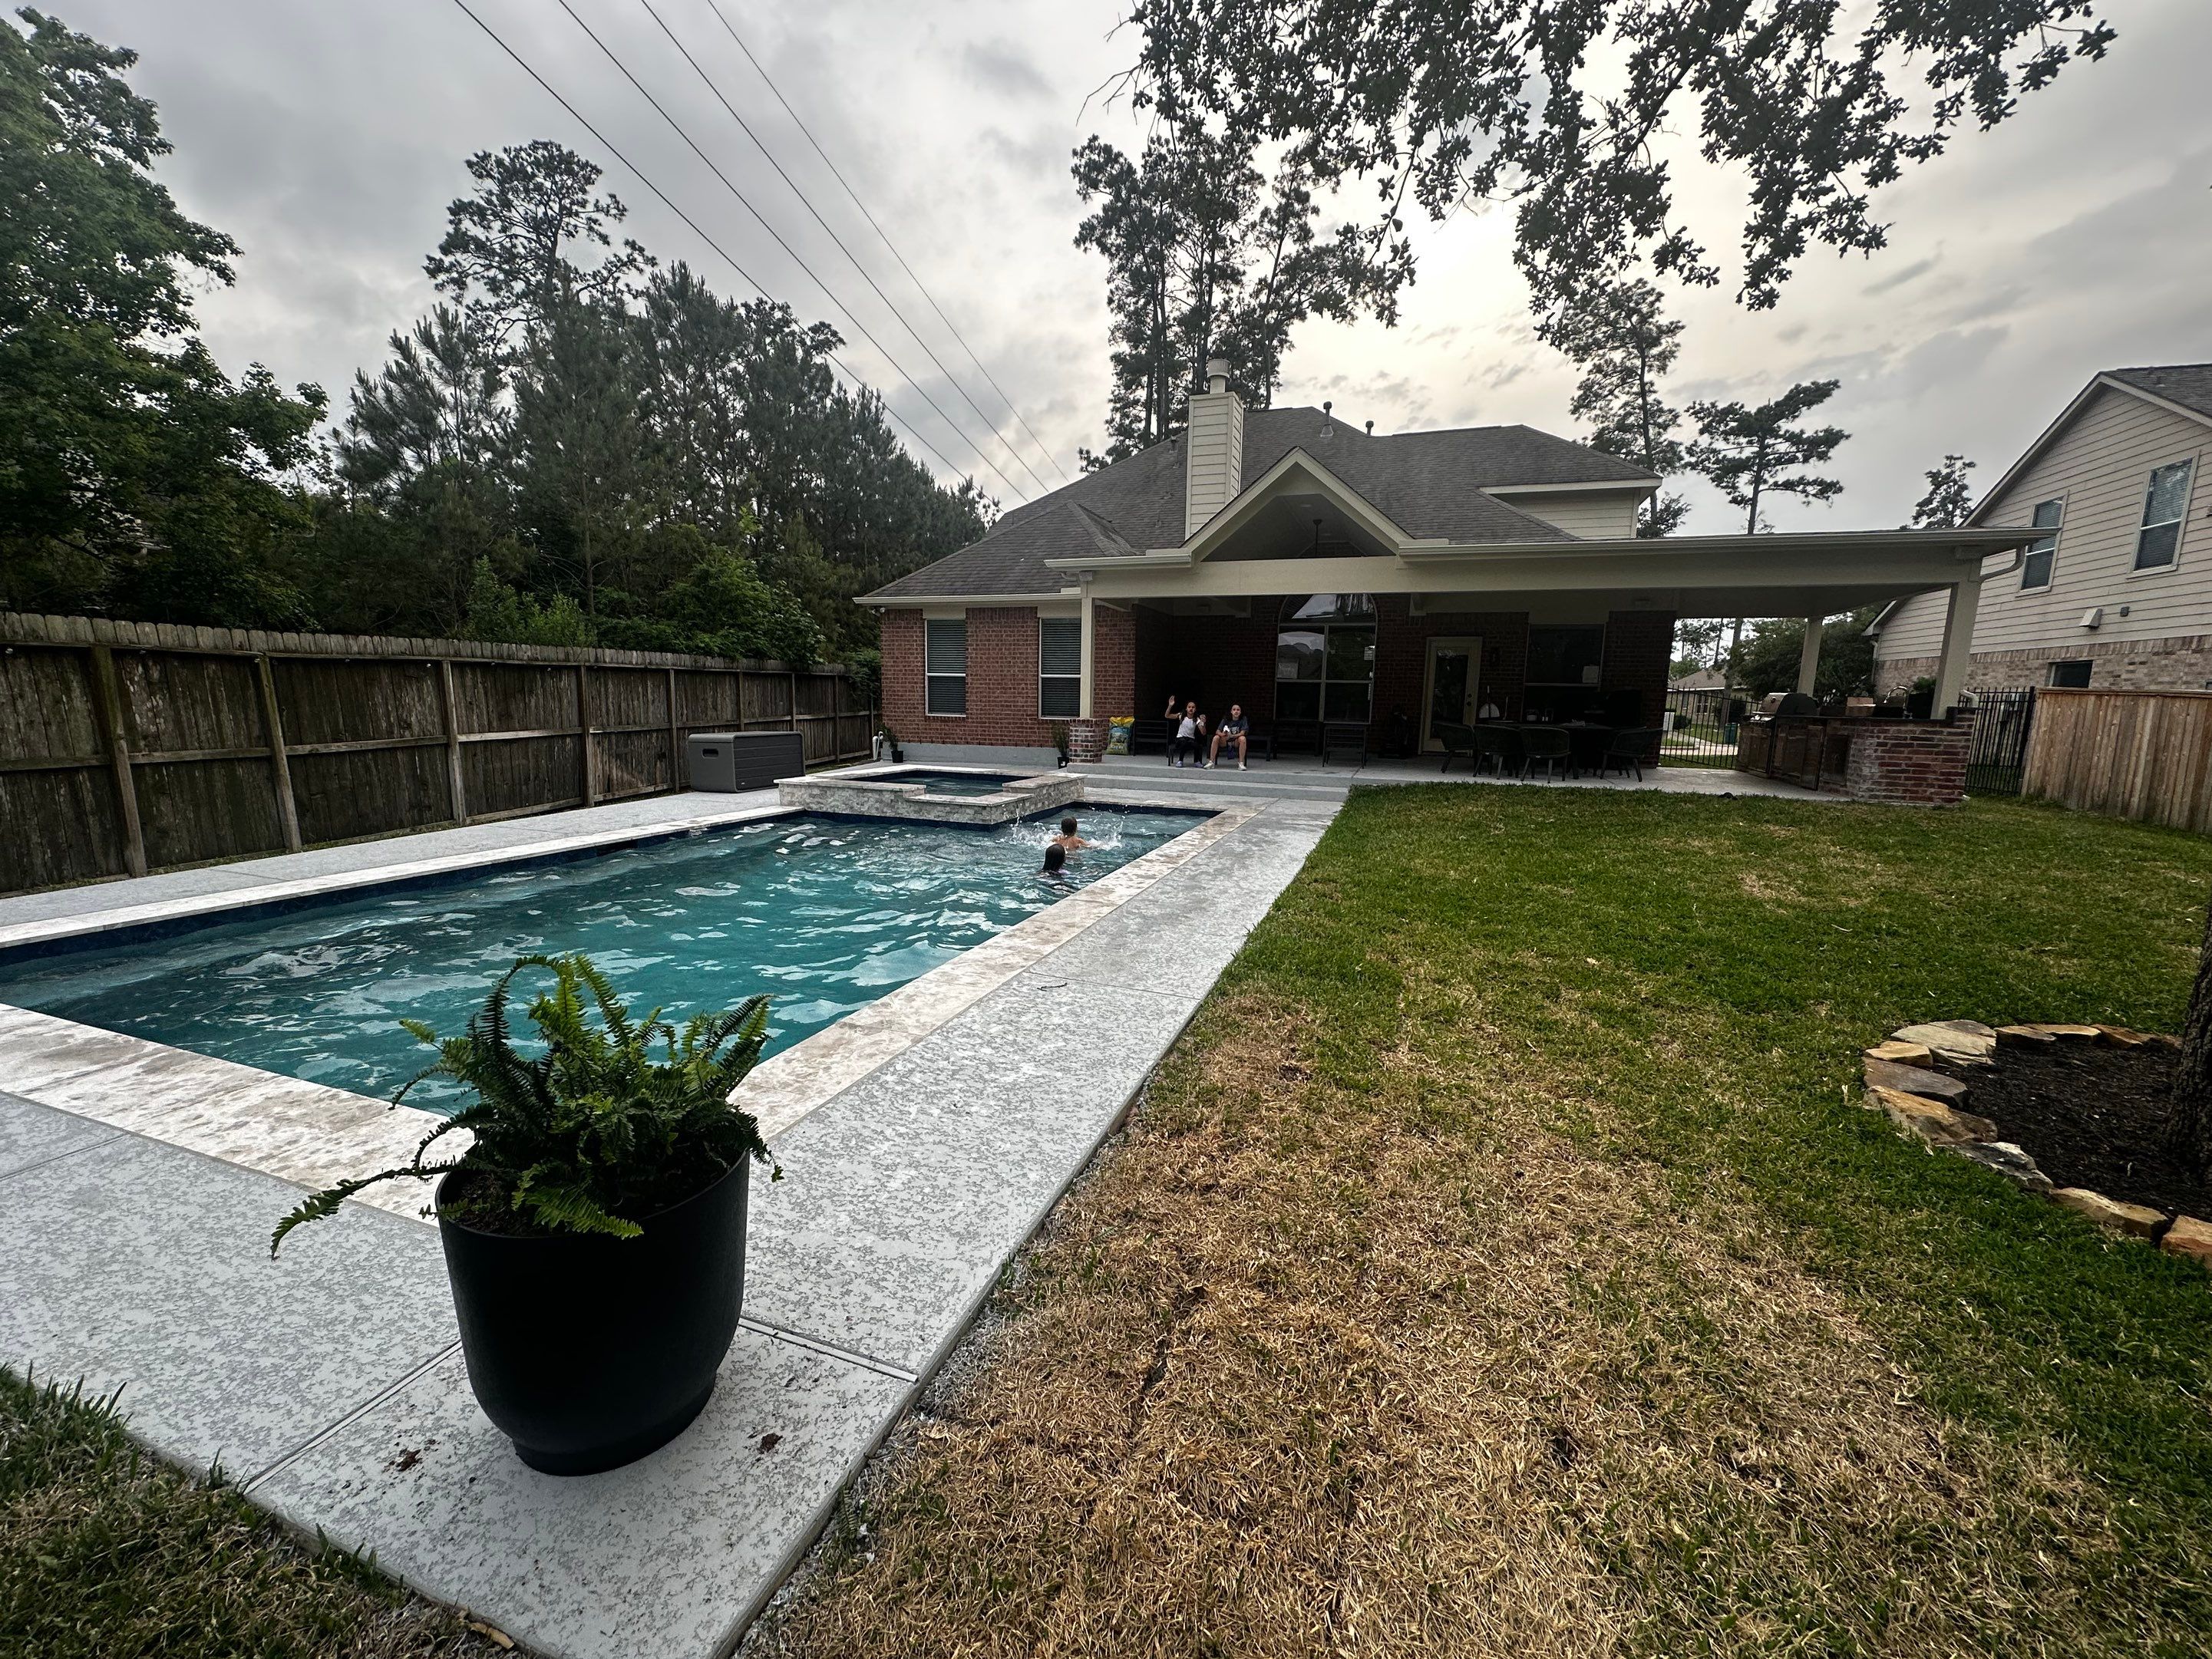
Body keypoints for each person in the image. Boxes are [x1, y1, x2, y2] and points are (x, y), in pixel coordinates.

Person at [1207, 702, 1253, 769]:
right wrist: (1223, 734)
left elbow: (1243, 733)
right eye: (1234, 710)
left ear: (1240, 712)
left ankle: (1241, 763)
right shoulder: (1226, 719)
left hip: (1236, 741)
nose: (1236, 711)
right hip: (1225, 740)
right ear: (1231, 711)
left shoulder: (1243, 719)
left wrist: (1232, 736)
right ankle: (1211, 762)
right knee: (1216, 738)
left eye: (1238, 710)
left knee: (1243, 738)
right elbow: (1217, 731)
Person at [1164, 694, 1205, 767]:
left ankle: (1196, 761)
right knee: (1184, 743)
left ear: (1195, 709)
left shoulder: (1197, 719)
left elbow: (1203, 732)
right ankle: (1180, 761)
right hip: (1180, 738)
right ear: (1186, 708)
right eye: (1189, 707)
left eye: (1193, 707)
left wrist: (1203, 722)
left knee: (1197, 745)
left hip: (1190, 739)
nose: (1191, 709)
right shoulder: (1181, 715)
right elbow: (1167, 716)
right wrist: (1170, 705)